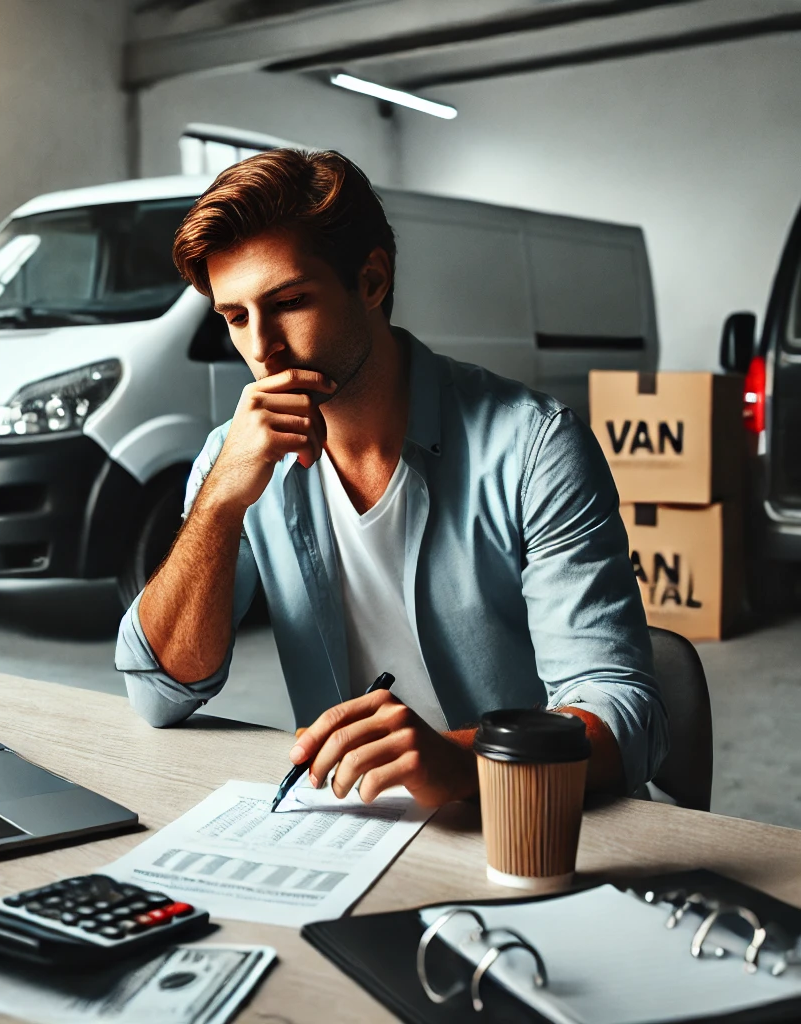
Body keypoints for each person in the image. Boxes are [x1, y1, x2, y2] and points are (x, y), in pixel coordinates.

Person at [115, 148, 668, 807]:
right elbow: (157, 693)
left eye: (289, 301)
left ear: (372, 281)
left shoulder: (534, 447)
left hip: (530, 826)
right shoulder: (233, 458)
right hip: (359, 829)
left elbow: (627, 717)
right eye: (236, 318)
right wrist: (219, 506)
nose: (262, 349)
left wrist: (462, 764)